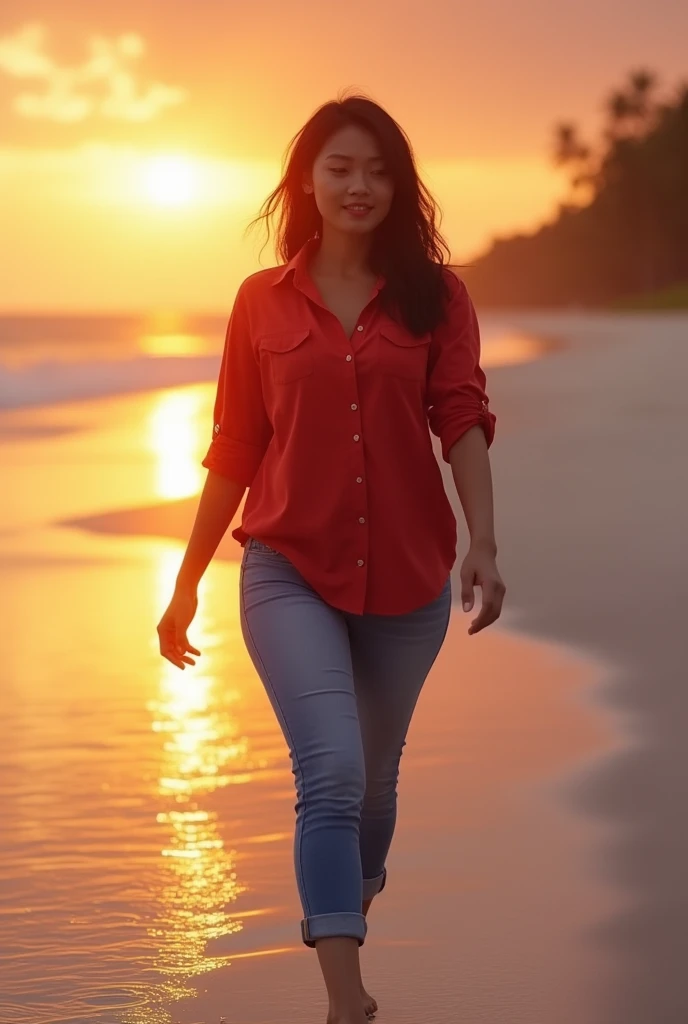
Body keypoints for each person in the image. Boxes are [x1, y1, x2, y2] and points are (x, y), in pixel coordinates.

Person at [157, 92, 505, 1024]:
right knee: (332, 773)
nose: (360, 185)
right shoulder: (260, 303)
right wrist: (185, 582)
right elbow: (234, 444)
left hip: (406, 574)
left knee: (373, 787)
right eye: (341, 167)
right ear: (307, 180)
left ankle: (347, 893)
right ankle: (346, 1002)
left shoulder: (439, 298)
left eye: (379, 169)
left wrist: (485, 542)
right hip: (286, 566)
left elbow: (462, 417)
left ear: (401, 184)